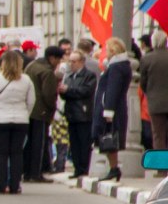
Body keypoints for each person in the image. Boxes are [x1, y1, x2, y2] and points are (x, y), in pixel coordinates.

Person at [0, 50, 36, 195]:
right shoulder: (26, 80)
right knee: (16, 153)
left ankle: (1, 185)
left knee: (0, 153)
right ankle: (15, 185)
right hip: (20, 120)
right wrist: (25, 114)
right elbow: (31, 101)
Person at [95, 37, 132, 182]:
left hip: (112, 109)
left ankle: (114, 168)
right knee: (109, 139)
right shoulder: (118, 65)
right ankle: (113, 168)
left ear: (112, 50)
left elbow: (113, 89)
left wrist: (108, 110)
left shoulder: (117, 67)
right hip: (113, 108)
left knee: (109, 139)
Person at [23, 45, 60, 182]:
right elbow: (49, 94)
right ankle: (36, 173)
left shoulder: (31, 66)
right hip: (41, 112)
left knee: (29, 143)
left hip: (28, 110)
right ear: (52, 58)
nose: (59, 63)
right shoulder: (47, 72)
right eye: (58, 60)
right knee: (39, 143)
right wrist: (52, 108)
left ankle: (27, 172)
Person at [59, 51, 97, 178]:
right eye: (70, 61)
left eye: (74, 61)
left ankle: (83, 168)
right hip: (71, 114)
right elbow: (66, 94)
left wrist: (68, 90)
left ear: (81, 62)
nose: (71, 64)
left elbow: (85, 91)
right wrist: (63, 91)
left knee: (84, 143)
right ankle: (77, 169)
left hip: (83, 113)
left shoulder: (89, 76)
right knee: (74, 143)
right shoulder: (69, 76)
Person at [140, 30, 168, 149]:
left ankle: (162, 166)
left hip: (155, 103)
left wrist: (150, 93)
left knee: (158, 136)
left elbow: (143, 83)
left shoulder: (147, 59)